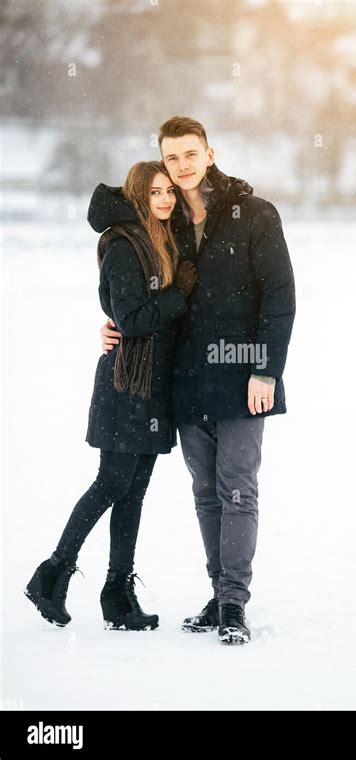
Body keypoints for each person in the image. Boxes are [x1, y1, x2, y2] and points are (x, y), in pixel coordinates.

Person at [101, 117, 296, 645]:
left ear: (210, 154)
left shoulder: (253, 214)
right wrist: (115, 324)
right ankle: (217, 594)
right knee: (206, 492)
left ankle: (234, 601)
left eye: (190, 154)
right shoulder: (166, 224)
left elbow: (279, 298)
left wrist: (265, 370)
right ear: (162, 162)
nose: (181, 166)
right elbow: (135, 283)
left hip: (242, 375)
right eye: (171, 158)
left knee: (238, 488)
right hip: (187, 378)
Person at [24, 160, 197, 631]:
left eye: (169, 192)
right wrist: (179, 294)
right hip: (126, 385)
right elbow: (135, 319)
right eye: (155, 192)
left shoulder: (163, 239)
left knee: (134, 491)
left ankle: (117, 593)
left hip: (153, 385)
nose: (164, 199)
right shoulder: (124, 246)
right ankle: (52, 573)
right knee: (112, 482)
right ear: (137, 196)